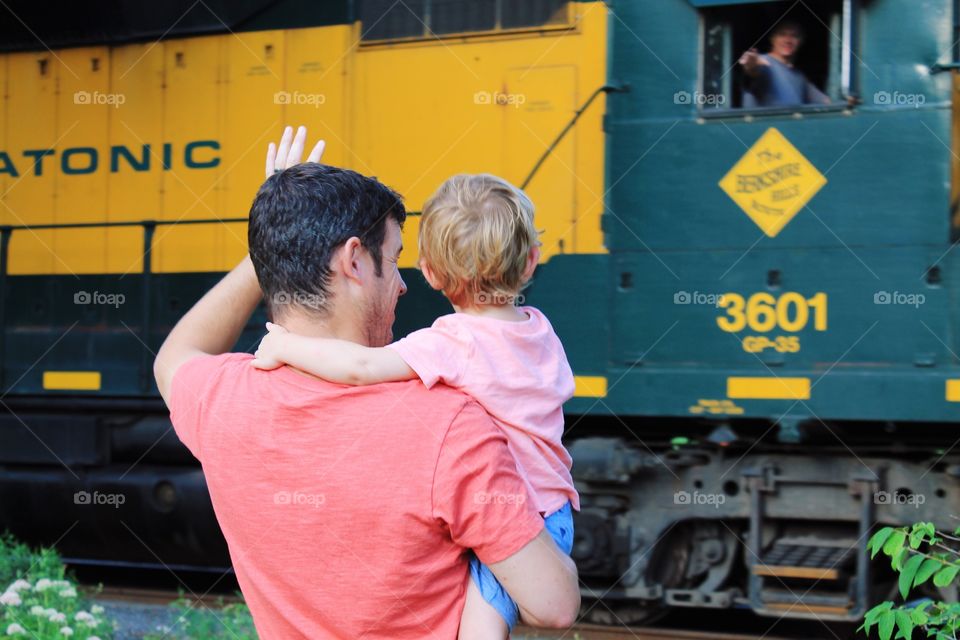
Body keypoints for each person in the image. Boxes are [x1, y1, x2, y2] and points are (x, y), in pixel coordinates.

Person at [153, 126, 580, 639]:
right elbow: (554, 605)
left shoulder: (220, 400)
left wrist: (274, 241)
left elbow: (174, 357)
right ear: (355, 261)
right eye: (395, 260)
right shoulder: (451, 428)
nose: (403, 284)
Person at [251, 173, 578, 639]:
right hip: (555, 510)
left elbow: (361, 366)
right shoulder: (539, 329)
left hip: (520, 514)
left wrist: (286, 347)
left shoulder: (453, 343)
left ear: (429, 273)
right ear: (530, 262)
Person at [739, 20, 830, 107]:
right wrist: (751, 65)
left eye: (794, 36)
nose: (788, 40)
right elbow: (753, 72)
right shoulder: (764, 62)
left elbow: (825, 102)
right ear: (772, 38)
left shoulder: (799, 76)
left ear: (801, 41)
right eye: (782, 34)